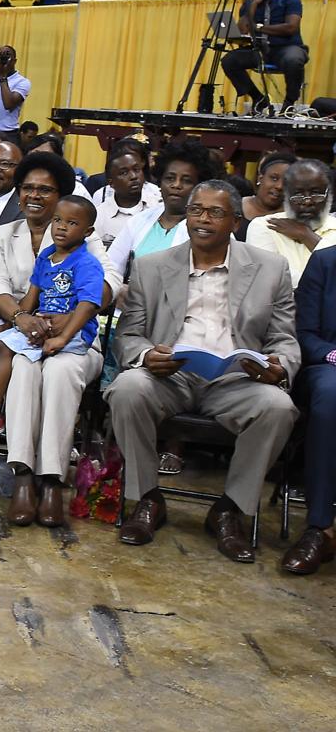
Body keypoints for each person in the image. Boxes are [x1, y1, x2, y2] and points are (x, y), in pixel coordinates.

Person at [106, 180, 299, 563]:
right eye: (197, 210)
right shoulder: (152, 266)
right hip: (171, 375)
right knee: (127, 387)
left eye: (215, 212)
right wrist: (146, 356)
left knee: (278, 407)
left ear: (235, 222)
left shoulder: (270, 268)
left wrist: (278, 367)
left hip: (237, 377)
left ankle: (230, 510)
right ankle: (147, 498)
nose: (203, 219)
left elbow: (284, 339)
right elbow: (127, 334)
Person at [0, 153, 121, 515]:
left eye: (45, 190)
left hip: (76, 342)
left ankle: (51, 480)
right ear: (18, 194)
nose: (34, 195)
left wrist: (67, 317)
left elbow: (110, 281)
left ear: (61, 195)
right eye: (27, 187)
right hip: (28, 337)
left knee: (60, 373)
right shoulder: (3, 234)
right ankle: (23, 477)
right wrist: (20, 317)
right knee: (25, 372)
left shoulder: (78, 230)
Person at [282, 246, 336, 574]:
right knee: (332, 396)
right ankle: (319, 528)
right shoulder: (326, 262)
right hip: (329, 365)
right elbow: (302, 335)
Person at [108, 138, 217, 281]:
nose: (176, 185)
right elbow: (111, 267)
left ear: (200, 186)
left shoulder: (211, 229)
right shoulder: (139, 221)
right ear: (160, 181)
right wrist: (118, 289)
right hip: (132, 300)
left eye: (186, 180)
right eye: (170, 178)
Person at [221, 0, 308, 112]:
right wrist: (254, 4)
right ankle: (259, 99)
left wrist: (258, 28)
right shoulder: (250, 3)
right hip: (259, 49)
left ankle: (289, 102)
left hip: (285, 47)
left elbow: (291, 27)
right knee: (229, 60)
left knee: (294, 59)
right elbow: (243, 29)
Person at [246, 159, 336, 286]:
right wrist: (326, 283)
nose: (307, 202)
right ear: (286, 195)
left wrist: (307, 236)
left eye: (316, 193)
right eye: (298, 194)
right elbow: (270, 277)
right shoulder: (264, 226)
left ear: (329, 194)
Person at [92, 142, 162, 249]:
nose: (133, 176)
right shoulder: (98, 217)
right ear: (111, 183)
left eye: (136, 170)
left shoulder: (158, 208)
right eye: (124, 173)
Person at [237, 151, 295, 240]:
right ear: (260, 178)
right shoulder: (234, 206)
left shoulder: (291, 218)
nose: (279, 186)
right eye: (274, 178)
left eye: (286, 181)